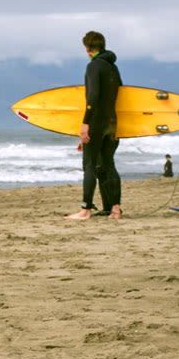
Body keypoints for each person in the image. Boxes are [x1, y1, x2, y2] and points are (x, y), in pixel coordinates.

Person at [65, 31, 122, 220]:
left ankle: (85, 210)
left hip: (96, 121)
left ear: (88, 48)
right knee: (108, 165)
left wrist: (85, 125)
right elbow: (121, 95)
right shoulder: (113, 68)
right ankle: (115, 209)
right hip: (112, 122)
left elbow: (92, 97)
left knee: (89, 165)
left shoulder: (93, 67)